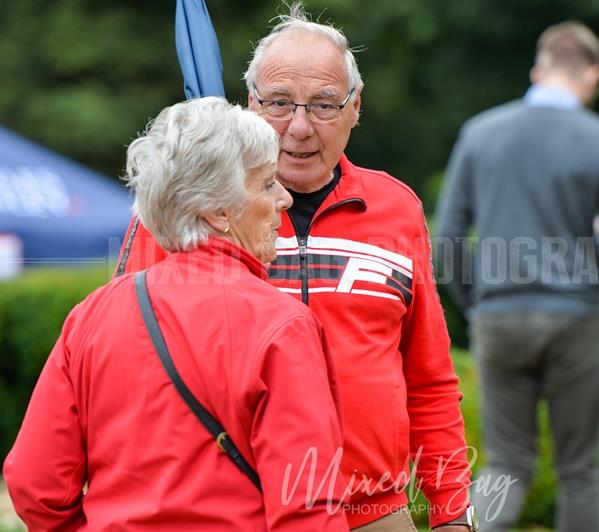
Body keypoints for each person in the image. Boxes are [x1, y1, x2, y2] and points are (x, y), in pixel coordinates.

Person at [113, 4, 473, 531]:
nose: (299, 128)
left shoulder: (397, 209)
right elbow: (122, 366)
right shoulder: (184, 213)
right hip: (228, 512)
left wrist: (451, 514)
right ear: (249, 103)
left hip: (372, 512)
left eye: (324, 104)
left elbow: (429, 380)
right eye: (278, 103)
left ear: (356, 106)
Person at [3, 97, 349, 531]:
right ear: (218, 212)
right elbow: (309, 510)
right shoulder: (282, 326)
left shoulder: (92, 316)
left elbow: (37, 488)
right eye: (265, 184)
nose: (283, 197)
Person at [435, 21, 599, 532]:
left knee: (506, 463)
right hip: (574, 319)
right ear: (591, 74)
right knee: (579, 469)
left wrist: (478, 303)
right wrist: (593, 233)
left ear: (538, 70)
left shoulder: (480, 133)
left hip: (499, 317)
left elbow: (447, 241)